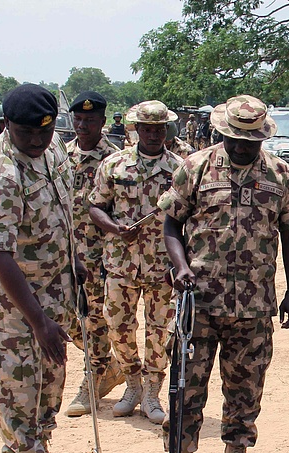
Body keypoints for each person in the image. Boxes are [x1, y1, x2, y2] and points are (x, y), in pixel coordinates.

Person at [160, 95, 289, 453]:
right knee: (186, 387)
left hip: (254, 305)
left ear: (262, 137)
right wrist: (180, 267)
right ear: (222, 133)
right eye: (234, 139)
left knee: (246, 387)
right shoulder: (195, 167)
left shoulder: (280, 174)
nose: (241, 147)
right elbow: (171, 224)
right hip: (198, 302)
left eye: (250, 141)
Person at [0, 83, 87, 453]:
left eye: (44, 130)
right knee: (17, 382)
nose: (37, 140)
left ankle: (42, 451)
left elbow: (62, 212)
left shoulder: (52, 150)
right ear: (7, 125)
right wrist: (38, 320)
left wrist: (74, 259)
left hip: (53, 286)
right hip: (11, 301)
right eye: (26, 133)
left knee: (51, 374)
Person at [89, 101, 183, 424]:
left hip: (162, 265)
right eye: (147, 129)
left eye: (159, 129)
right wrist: (115, 228)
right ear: (136, 129)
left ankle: (152, 392)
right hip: (121, 263)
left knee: (160, 331)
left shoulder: (180, 169)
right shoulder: (114, 165)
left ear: (166, 130)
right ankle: (131, 384)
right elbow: (95, 206)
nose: (153, 135)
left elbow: (189, 214)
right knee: (118, 326)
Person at [62, 91, 123, 417]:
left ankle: (92, 378)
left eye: (90, 120)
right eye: (78, 119)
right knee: (65, 318)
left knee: (94, 320)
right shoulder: (60, 156)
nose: (83, 125)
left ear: (103, 122)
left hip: (98, 256)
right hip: (62, 253)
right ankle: (108, 367)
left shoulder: (114, 161)